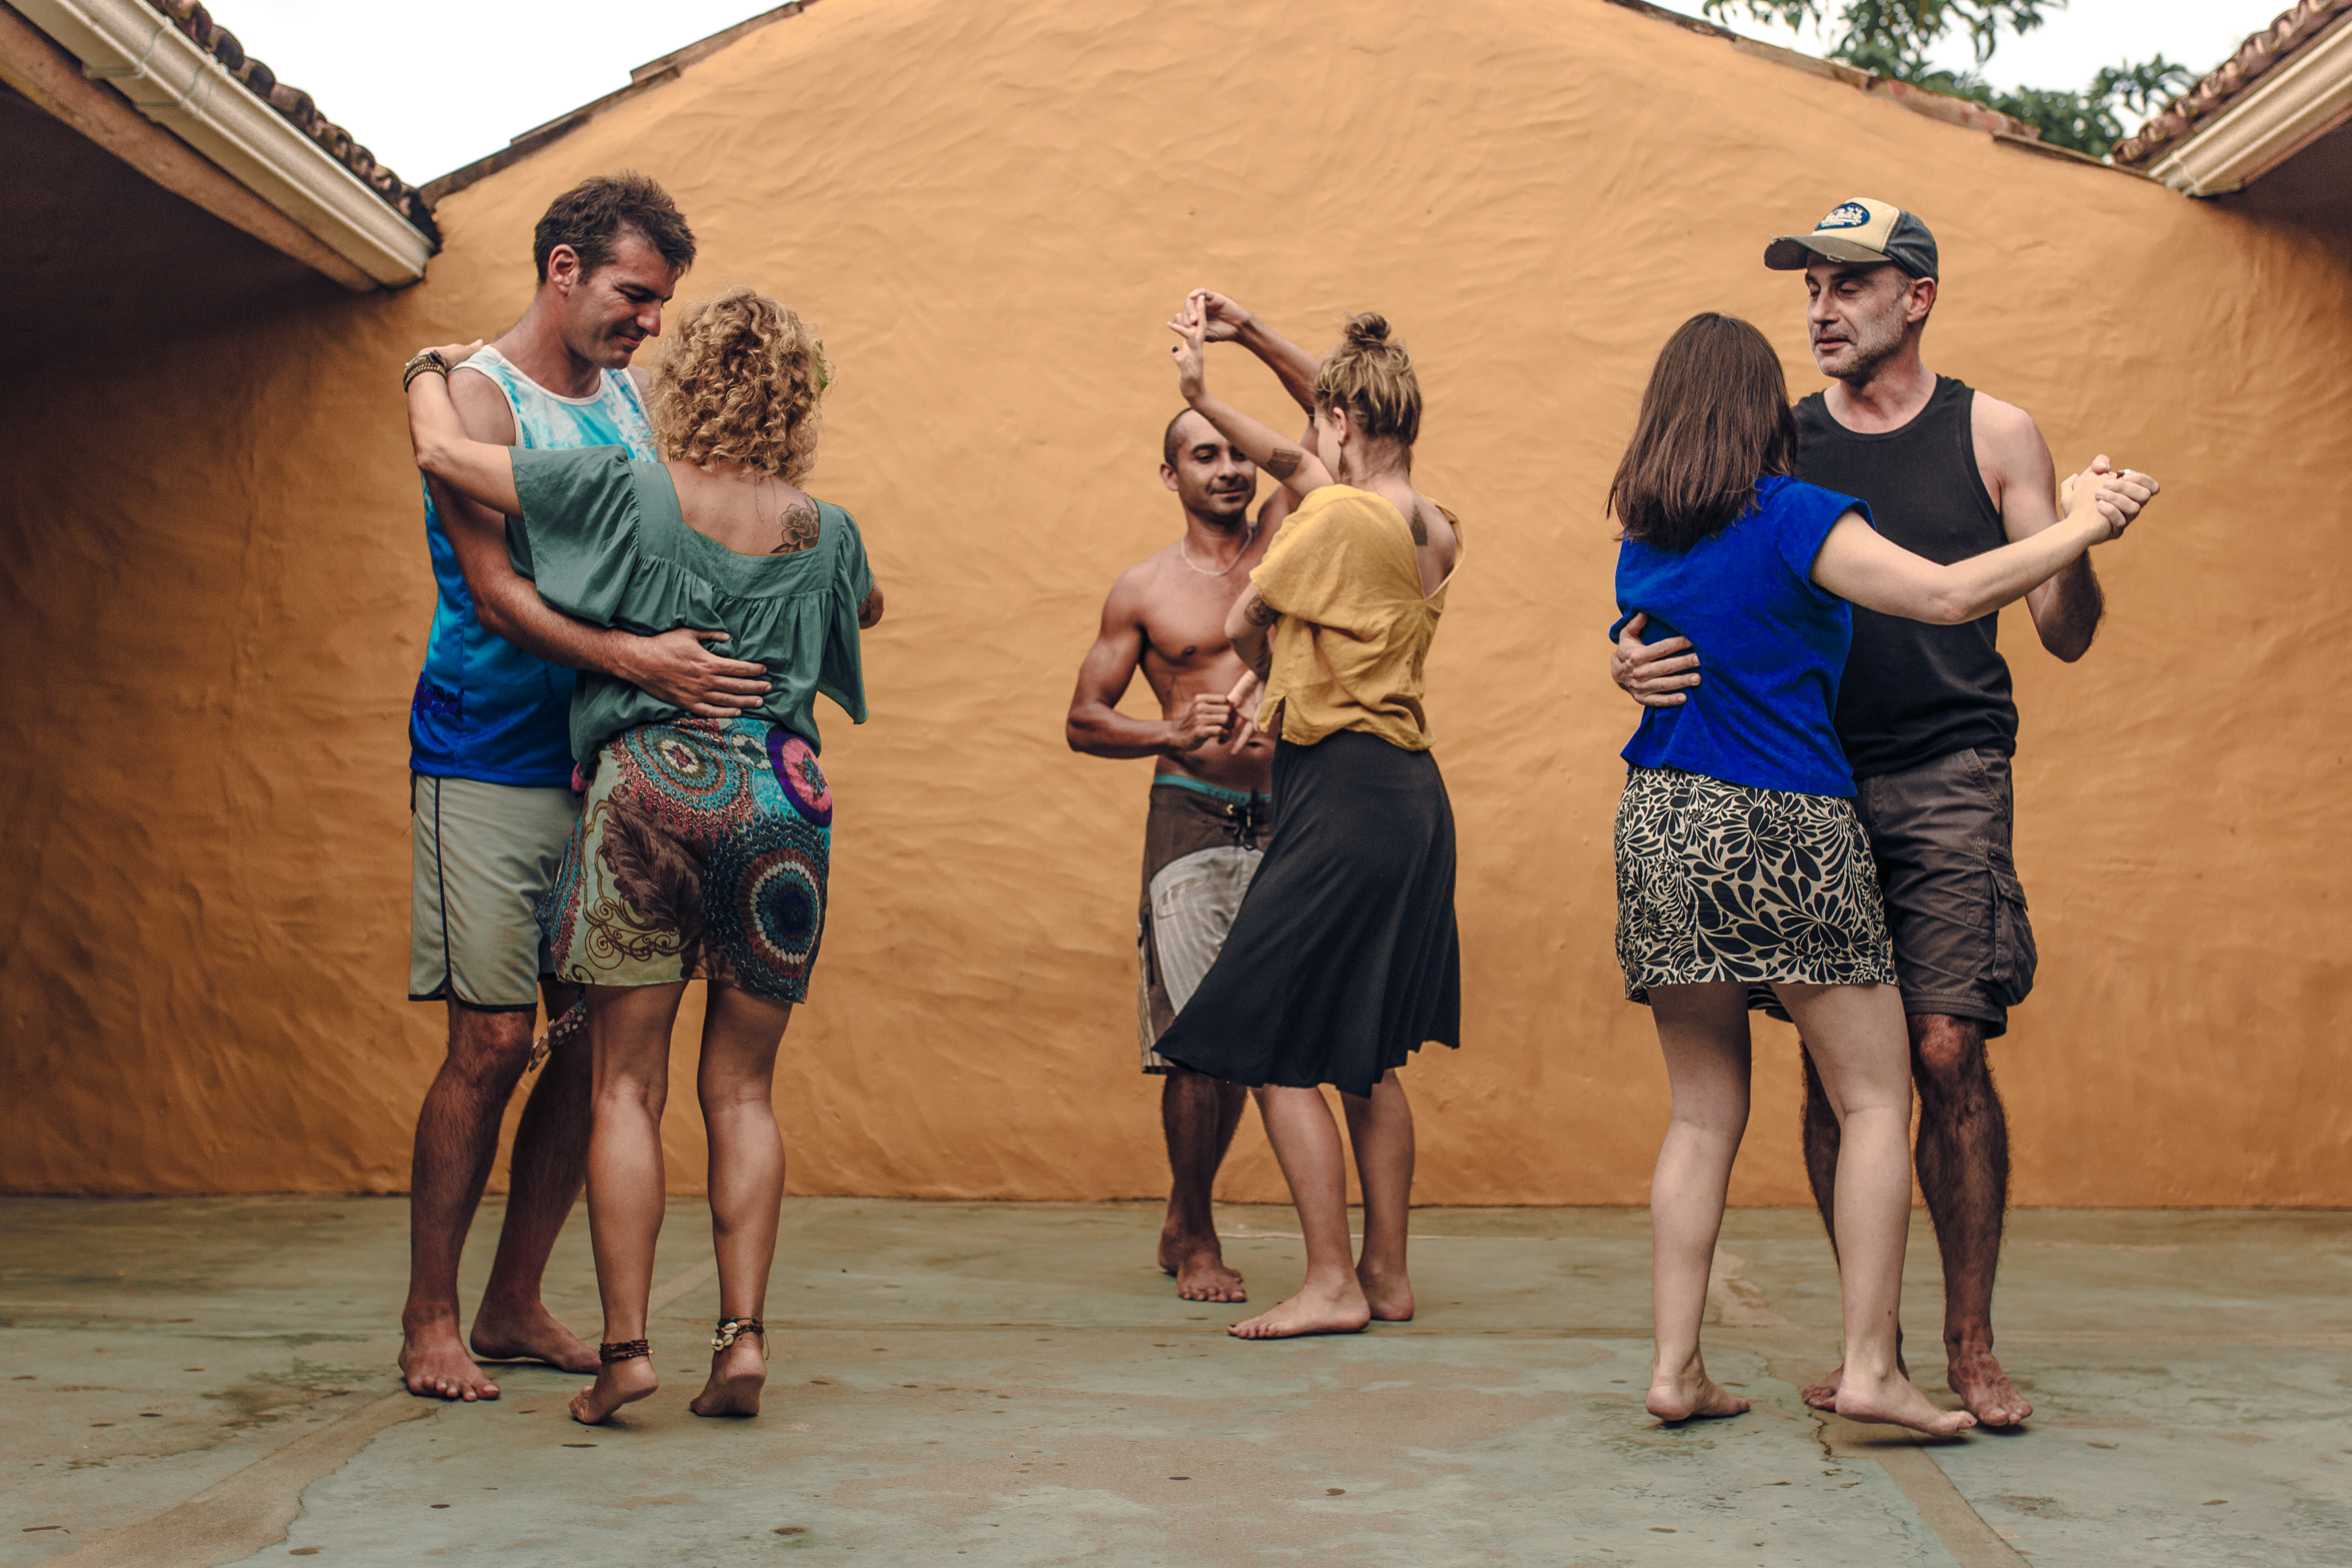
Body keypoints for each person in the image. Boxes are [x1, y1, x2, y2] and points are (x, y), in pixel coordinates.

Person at [1613, 200, 2129, 1427]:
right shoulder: (1779, 471)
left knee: (1884, 1067)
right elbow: (1926, 597)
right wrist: (1632, 663)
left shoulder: (1987, 432)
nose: (1822, 308)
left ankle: (1918, 1345)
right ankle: (1872, 1356)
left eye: (1850, 284)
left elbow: (2057, 631)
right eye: (1810, 289)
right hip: (1805, 804)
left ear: (1918, 297)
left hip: (1839, 791)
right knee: (1858, 1085)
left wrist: (2070, 539)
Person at [403, 284, 882, 1426]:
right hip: (786, 804)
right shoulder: (830, 527)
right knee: (745, 1091)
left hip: (652, 792)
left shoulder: (628, 487)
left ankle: (626, 1355)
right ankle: (743, 1340)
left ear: (692, 383)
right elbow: (862, 608)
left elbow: (458, 464)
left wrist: (429, 371)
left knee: (623, 1083)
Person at [401, 172, 770, 1402]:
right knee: (494, 1040)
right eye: (631, 295)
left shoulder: (621, 397)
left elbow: (658, 542)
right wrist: (640, 659)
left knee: (584, 1043)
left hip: (606, 763)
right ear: (562, 267)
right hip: (485, 754)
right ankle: (432, 1320)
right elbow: (502, 592)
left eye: (663, 304)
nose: (649, 324)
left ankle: (514, 1304)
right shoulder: (470, 393)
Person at [1152, 296, 1463, 1341]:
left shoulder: (1333, 519)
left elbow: (1244, 620)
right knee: (1362, 1056)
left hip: (1339, 789)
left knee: (1272, 1041)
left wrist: (1269, 669)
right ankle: (1386, 1274)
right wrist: (1223, 366)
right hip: (1413, 798)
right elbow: (1297, 451)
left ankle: (1330, 1282)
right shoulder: (1433, 527)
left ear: (1342, 424)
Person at [1063, 294, 1322, 1304]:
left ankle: (1202, 1218)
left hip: (1294, 816)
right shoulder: (1143, 590)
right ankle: (1197, 1227)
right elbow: (1084, 718)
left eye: (1234, 453)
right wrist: (1170, 728)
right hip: (1191, 817)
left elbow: (1331, 420)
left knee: (1295, 1036)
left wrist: (1245, 336)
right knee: (1199, 1044)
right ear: (1170, 476)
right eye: (1203, 455)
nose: (1228, 467)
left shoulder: (1285, 542)